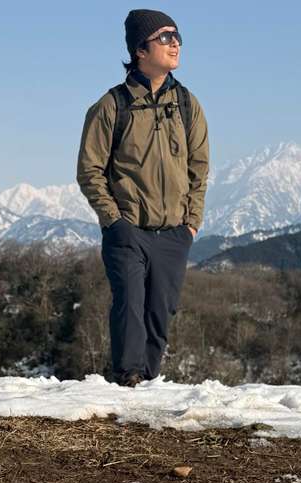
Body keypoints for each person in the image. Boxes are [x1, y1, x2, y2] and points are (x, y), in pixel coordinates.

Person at [76, 9, 209, 387]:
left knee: (159, 314)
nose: (175, 44)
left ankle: (148, 384)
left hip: (174, 232)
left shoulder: (187, 104)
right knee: (130, 306)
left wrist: (191, 223)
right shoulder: (111, 106)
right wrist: (113, 221)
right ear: (140, 49)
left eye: (177, 36)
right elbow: (89, 170)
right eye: (165, 37)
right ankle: (128, 379)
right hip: (128, 231)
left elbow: (200, 169)